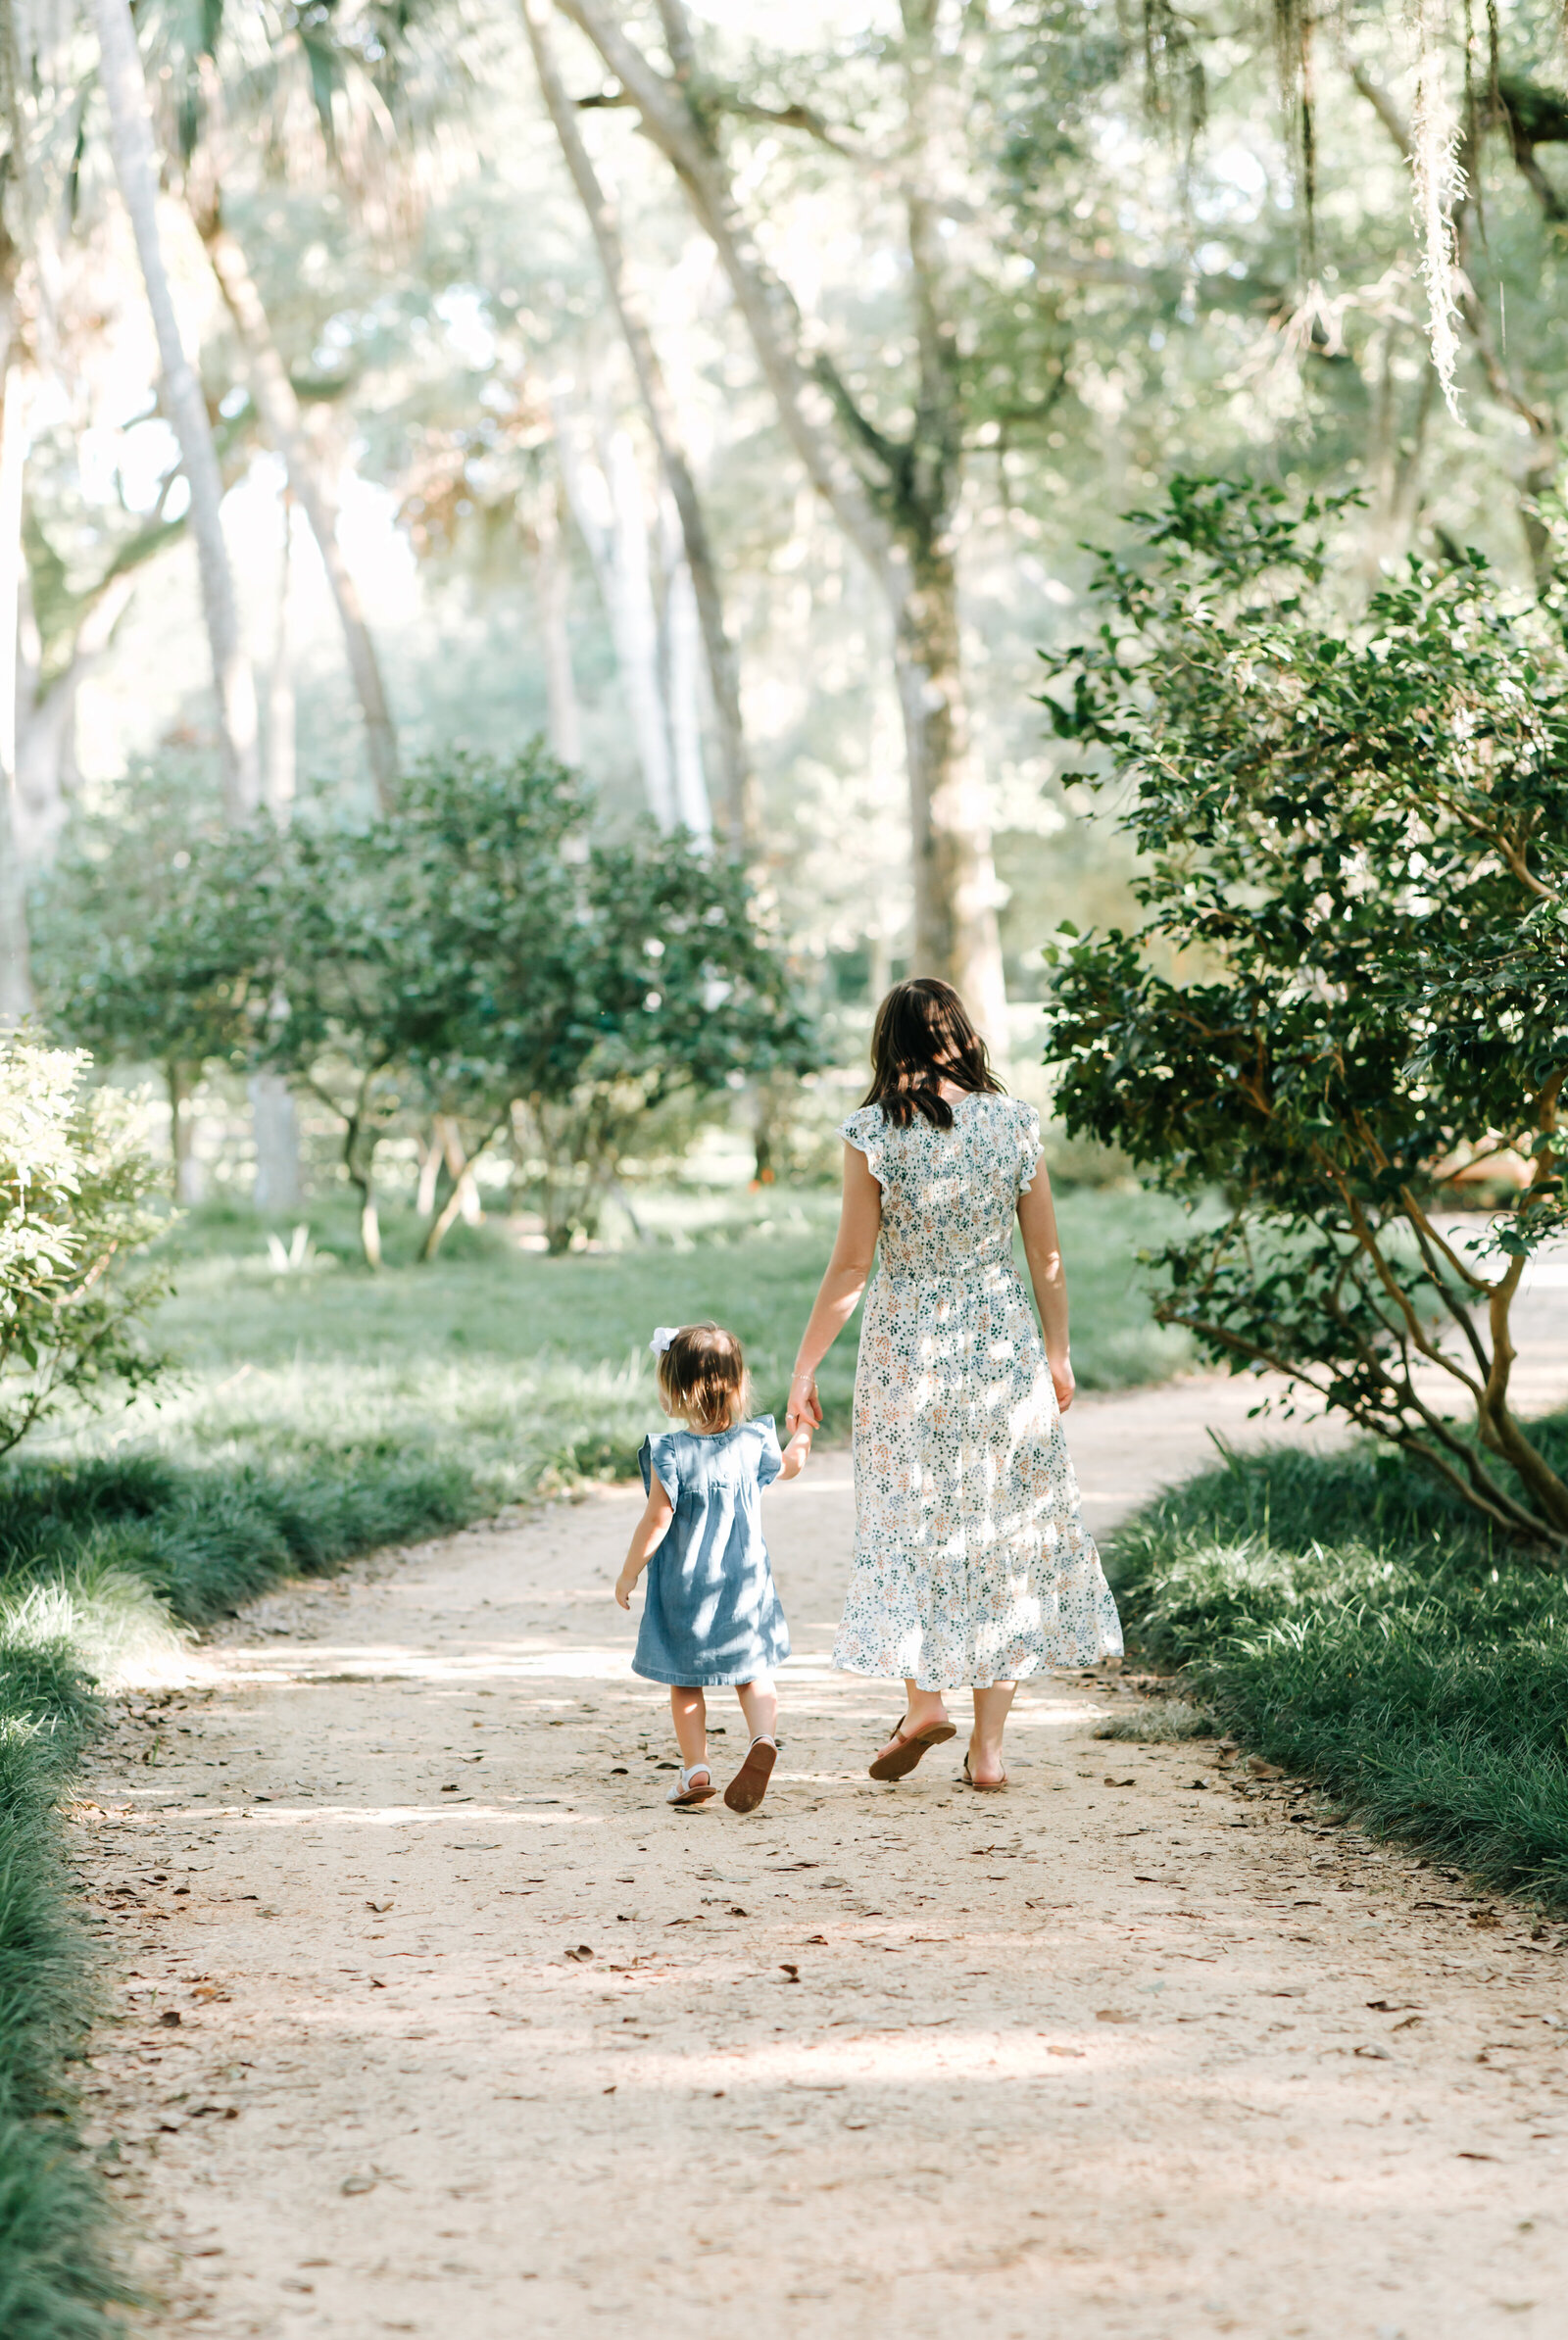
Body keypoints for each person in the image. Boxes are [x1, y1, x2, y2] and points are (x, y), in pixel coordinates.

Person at [785, 978, 1121, 1791]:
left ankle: (924, 1700)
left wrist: (803, 1368)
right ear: (963, 1037)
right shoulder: (1013, 1126)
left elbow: (853, 1264)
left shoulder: (874, 1132)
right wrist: (1060, 1350)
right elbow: (1047, 1257)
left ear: (888, 1045)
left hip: (907, 1359)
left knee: (909, 1521)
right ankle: (989, 1752)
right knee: (1002, 1534)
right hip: (1000, 1352)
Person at [616, 1321, 812, 1813]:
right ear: (739, 1387)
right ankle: (763, 1738)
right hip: (745, 1587)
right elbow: (793, 1463)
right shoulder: (754, 1443)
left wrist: (629, 1572)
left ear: (672, 1394)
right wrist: (805, 1427)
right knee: (754, 1673)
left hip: (685, 1590)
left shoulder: (671, 1453)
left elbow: (657, 1520)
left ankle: (696, 1768)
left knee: (684, 1680)